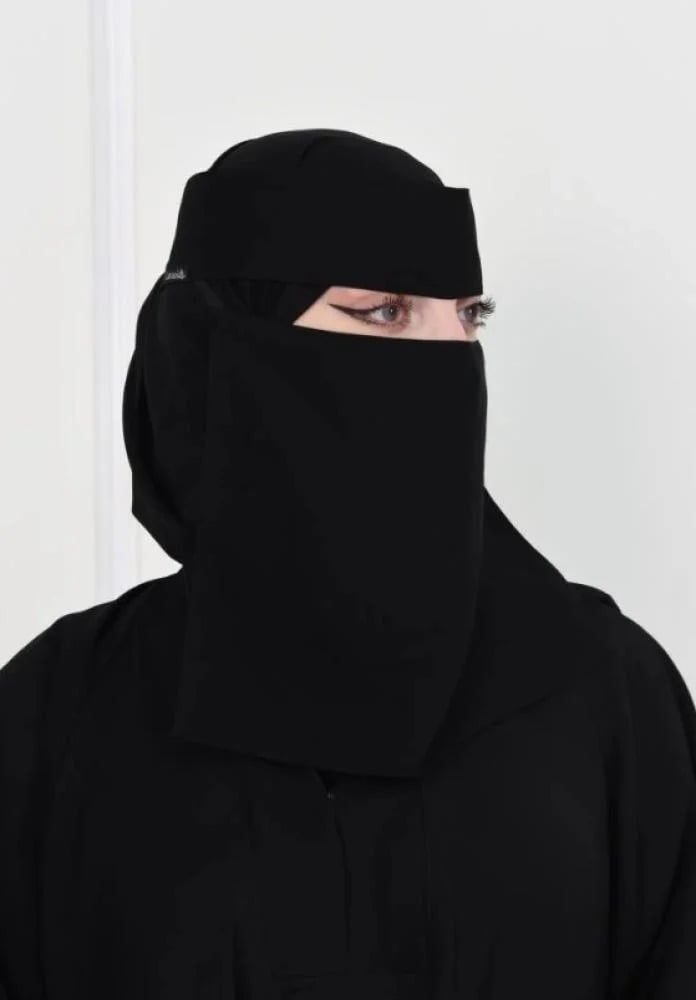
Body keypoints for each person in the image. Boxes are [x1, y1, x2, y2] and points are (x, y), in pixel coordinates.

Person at [0, 127, 694, 999]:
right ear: (223, 348)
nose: (451, 359)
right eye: (385, 312)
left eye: (468, 316)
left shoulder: (605, 693)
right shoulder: (59, 712)